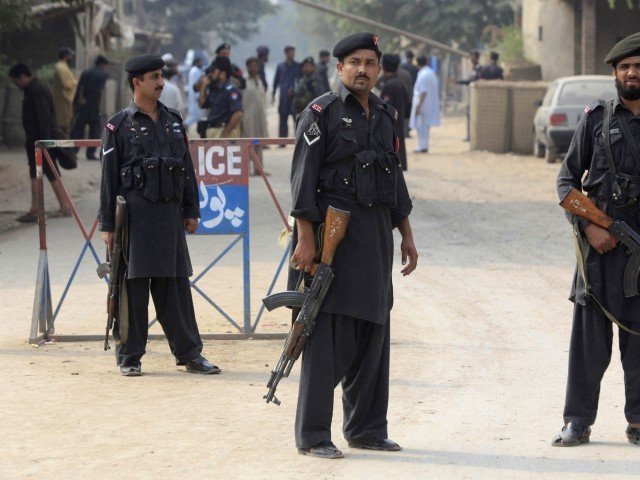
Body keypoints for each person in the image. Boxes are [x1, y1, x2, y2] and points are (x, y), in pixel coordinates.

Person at [289, 32, 417, 459]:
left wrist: (407, 234)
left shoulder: (385, 114)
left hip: (375, 237)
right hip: (331, 241)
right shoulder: (320, 113)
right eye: (354, 62)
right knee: (326, 337)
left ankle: (366, 428)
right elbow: (302, 183)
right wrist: (306, 240)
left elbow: (394, 177)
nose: (363, 69)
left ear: (379, 69)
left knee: (373, 333)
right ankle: (313, 435)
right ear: (339, 67)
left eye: (370, 63)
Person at [98, 54, 220, 377]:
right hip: (135, 221)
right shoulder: (118, 126)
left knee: (176, 290)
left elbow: (187, 169)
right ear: (137, 82)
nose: (161, 82)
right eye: (154, 77)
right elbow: (108, 179)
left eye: (161, 76)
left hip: (168, 218)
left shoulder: (173, 120)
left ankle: (190, 354)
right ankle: (129, 357)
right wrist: (107, 225)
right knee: (132, 290)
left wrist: (192, 209)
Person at [553, 32, 640, 447]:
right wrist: (591, 226)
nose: (632, 73)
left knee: (639, 341)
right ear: (615, 73)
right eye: (625, 67)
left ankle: (638, 422)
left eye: (638, 67)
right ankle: (578, 421)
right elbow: (568, 183)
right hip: (599, 250)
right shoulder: (596, 118)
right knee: (588, 341)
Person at [8, 64, 70, 222]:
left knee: (50, 171)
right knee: (39, 172)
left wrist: (44, 143)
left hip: (41, 140)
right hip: (37, 140)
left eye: (16, 80)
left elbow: (44, 118)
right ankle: (37, 207)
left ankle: (63, 207)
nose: (16, 84)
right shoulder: (33, 89)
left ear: (22, 76)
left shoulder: (37, 90)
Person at [70, 55, 109, 160]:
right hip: (94, 106)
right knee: (95, 130)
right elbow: (97, 91)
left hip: (83, 105)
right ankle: (90, 153)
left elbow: (79, 88)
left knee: (78, 129)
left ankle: (73, 152)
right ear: (103, 64)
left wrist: (77, 102)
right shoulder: (103, 74)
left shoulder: (86, 72)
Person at [378, 54, 409, 170]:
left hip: (391, 127)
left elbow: (386, 109)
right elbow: (408, 106)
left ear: (383, 66)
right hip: (399, 123)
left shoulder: (390, 85)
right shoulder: (399, 83)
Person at [198, 56, 243, 138]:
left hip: (223, 130)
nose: (210, 74)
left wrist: (225, 133)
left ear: (222, 74)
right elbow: (202, 104)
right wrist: (204, 86)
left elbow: (238, 113)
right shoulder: (215, 90)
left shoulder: (230, 90)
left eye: (213, 71)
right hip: (212, 130)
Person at [409, 56, 440, 153]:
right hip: (429, 104)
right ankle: (424, 145)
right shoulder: (431, 72)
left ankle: (422, 146)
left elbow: (423, 91)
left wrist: (419, 106)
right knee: (425, 127)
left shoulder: (422, 74)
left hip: (423, 104)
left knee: (420, 126)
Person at [243, 57, 269, 173]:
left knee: (259, 142)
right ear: (247, 67)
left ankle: (259, 169)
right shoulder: (243, 81)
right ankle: (245, 170)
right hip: (247, 117)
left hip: (260, 117)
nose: (253, 68)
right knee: (248, 143)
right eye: (251, 66)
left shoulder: (259, 80)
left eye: (255, 66)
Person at [272, 45, 301, 139]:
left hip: (295, 97)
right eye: (291, 52)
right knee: (283, 119)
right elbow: (276, 82)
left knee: (296, 119)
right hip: (283, 97)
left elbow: (301, 81)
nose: (293, 54)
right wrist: (273, 95)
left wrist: (295, 89)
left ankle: (298, 140)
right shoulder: (280, 67)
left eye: (293, 52)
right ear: (286, 53)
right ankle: (282, 141)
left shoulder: (298, 66)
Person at [52, 47, 77, 137]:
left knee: (65, 124)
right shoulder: (61, 67)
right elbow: (66, 83)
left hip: (64, 100)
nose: (72, 58)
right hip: (63, 100)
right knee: (63, 124)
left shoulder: (62, 66)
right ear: (66, 56)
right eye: (70, 55)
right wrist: (75, 82)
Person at [457, 50, 481, 142]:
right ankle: (470, 135)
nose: (471, 58)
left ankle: (472, 136)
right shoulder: (474, 68)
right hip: (471, 96)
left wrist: (459, 82)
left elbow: (472, 80)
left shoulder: (479, 69)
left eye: (473, 56)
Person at [184, 54, 205, 132]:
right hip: (196, 96)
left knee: (197, 115)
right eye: (200, 62)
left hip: (194, 96)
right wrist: (199, 96)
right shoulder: (196, 71)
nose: (201, 63)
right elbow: (197, 84)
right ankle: (185, 125)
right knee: (195, 115)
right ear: (196, 62)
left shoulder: (193, 70)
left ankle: (200, 131)